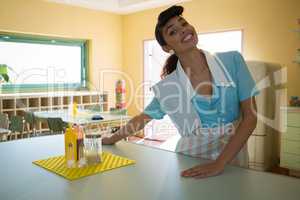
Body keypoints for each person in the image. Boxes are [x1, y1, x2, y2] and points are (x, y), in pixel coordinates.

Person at [102, 5, 259, 179]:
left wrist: (219, 163)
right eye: (173, 31)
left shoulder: (232, 60)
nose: (184, 30)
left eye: (183, 24)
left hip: (232, 157)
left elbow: (250, 118)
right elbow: (142, 119)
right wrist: (110, 139)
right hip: (191, 159)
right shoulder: (169, 87)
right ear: (167, 47)